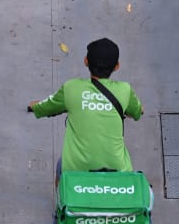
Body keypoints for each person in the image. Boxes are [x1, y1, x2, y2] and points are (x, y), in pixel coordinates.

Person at [28, 38, 143, 181]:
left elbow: (46, 107)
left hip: (76, 168)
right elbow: (138, 112)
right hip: (117, 168)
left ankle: (61, 193)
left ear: (86, 61)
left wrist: (34, 106)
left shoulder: (71, 88)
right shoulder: (125, 90)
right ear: (117, 66)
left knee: (60, 165)